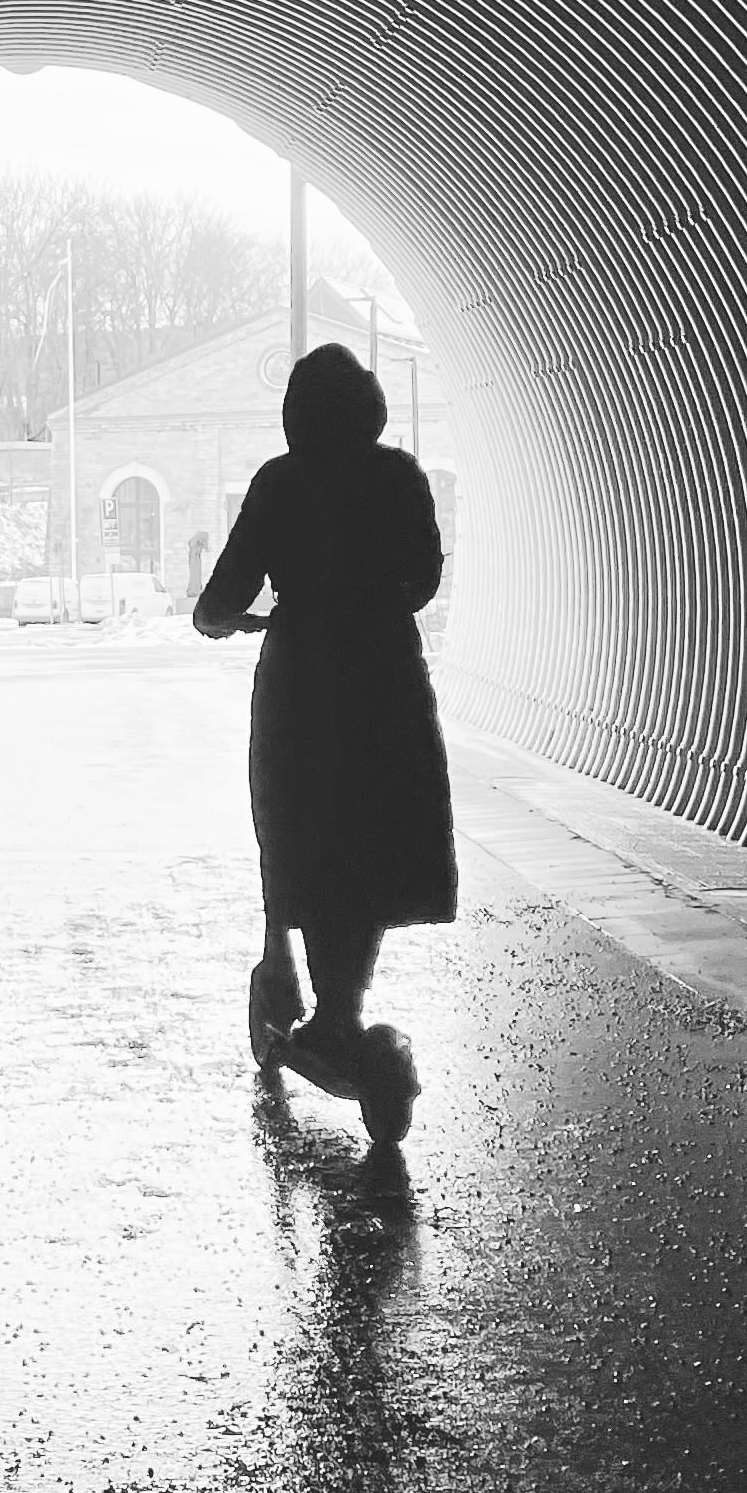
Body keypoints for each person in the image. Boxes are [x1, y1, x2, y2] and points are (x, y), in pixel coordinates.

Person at [193, 342, 456, 1141]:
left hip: (303, 683)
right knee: (372, 837)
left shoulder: (280, 483)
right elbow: (423, 579)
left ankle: (300, 985)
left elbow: (219, 598)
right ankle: (344, 1008)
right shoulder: (401, 476)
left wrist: (230, 620)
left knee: (298, 828)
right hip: (386, 680)